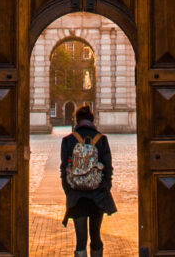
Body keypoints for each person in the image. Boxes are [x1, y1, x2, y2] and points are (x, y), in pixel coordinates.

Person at [57, 106, 115, 255]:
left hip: (77, 196)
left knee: (80, 239)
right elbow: (108, 169)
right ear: (92, 120)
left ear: (77, 121)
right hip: (98, 196)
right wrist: (105, 188)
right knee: (96, 236)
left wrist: (69, 190)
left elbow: (64, 169)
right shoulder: (101, 139)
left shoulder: (68, 140)